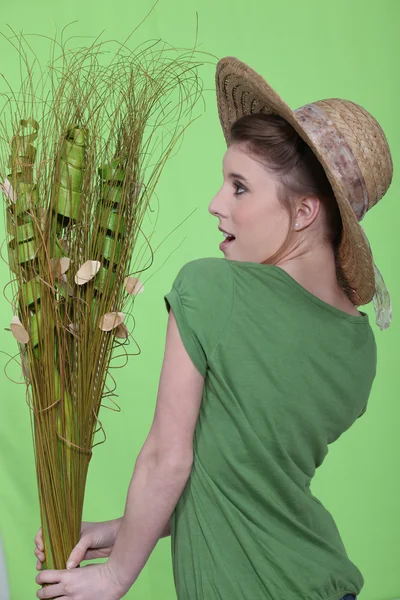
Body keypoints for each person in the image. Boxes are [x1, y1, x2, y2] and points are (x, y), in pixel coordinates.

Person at [34, 57, 393, 600]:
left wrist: (115, 575)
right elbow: (244, 479)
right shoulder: (359, 344)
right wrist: (121, 531)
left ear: (302, 213)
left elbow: (168, 456)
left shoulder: (211, 288)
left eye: (240, 188)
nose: (215, 203)